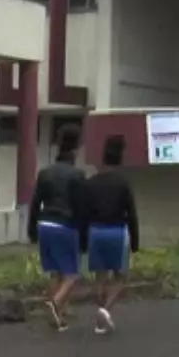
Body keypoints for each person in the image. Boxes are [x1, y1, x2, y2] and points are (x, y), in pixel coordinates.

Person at [79, 134, 140, 335]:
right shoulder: (123, 183)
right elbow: (131, 213)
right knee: (121, 277)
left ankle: (100, 324)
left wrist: (83, 240)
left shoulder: (91, 183)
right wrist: (136, 241)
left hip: (95, 231)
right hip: (117, 232)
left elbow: (84, 213)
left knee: (100, 278)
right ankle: (105, 310)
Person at [27, 124, 86, 332]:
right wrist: (84, 235)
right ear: (77, 148)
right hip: (65, 225)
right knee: (72, 274)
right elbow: (81, 207)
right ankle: (55, 303)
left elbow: (35, 203)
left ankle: (57, 318)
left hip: (44, 224)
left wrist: (31, 230)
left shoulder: (45, 173)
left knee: (55, 273)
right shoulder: (77, 175)